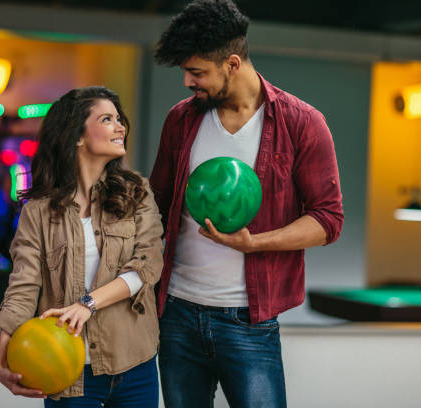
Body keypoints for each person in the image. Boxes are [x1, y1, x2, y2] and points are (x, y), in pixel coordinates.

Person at [149, 1, 344, 407]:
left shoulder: (302, 123)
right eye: (185, 71)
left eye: (197, 72)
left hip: (248, 322)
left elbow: (328, 220)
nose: (187, 81)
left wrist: (254, 243)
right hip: (177, 315)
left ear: (232, 63)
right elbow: (156, 206)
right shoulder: (181, 120)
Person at [0, 86, 163, 407]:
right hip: (67, 371)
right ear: (77, 136)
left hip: (134, 365)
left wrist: (88, 304)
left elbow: (148, 264)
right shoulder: (39, 210)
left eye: (119, 119)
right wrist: (3, 356)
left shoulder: (137, 193)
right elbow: (24, 284)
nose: (120, 127)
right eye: (107, 119)